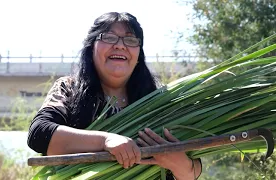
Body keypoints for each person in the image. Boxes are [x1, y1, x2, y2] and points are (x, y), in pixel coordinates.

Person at [27, 12, 202, 179]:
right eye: (109, 37)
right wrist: (105, 141)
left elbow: (193, 168)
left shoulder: (159, 99)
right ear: (91, 47)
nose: (120, 45)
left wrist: (181, 165)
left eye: (130, 39)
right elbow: (39, 135)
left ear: (138, 54)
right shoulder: (69, 88)